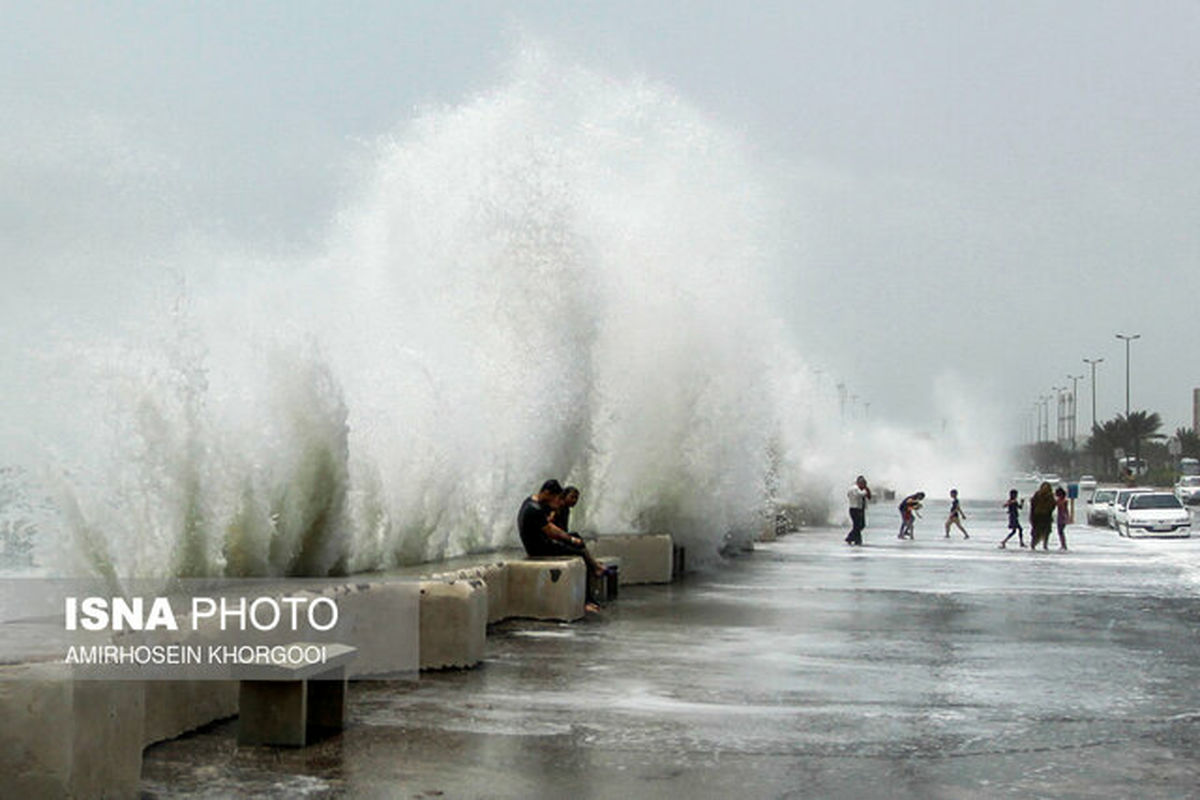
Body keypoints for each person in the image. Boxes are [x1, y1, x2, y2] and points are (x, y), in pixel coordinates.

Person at [517, 479, 607, 581]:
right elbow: (551, 532)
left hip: (540, 543)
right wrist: (571, 540)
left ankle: (594, 567)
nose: (556, 500)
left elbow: (550, 527)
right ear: (547, 493)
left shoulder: (531, 501)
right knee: (579, 553)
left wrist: (570, 538)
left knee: (575, 539)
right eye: (555, 497)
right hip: (539, 549)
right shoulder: (535, 509)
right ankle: (593, 577)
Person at [1029, 482, 1056, 551]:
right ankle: (1033, 544)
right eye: (1044, 487)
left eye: (1046, 487)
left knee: (1047, 531)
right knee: (1036, 531)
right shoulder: (1037, 495)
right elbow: (1033, 505)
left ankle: (1045, 544)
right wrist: (1032, 516)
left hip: (1046, 516)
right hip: (1037, 516)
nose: (1045, 489)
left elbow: (1053, 505)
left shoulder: (1050, 496)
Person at [845, 475, 871, 546]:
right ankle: (856, 539)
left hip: (859, 509)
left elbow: (868, 497)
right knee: (857, 526)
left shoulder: (858, 488)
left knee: (861, 525)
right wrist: (865, 490)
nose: (864, 485)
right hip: (855, 509)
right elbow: (860, 494)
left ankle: (851, 537)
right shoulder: (854, 488)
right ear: (859, 482)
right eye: (863, 483)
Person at [1054, 486, 1070, 550]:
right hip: (1061, 517)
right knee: (1060, 532)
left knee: (1060, 531)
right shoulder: (1063, 500)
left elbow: (1064, 509)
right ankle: (1063, 544)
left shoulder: (1062, 501)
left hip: (1061, 517)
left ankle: (1064, 545)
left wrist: (1066, 517)